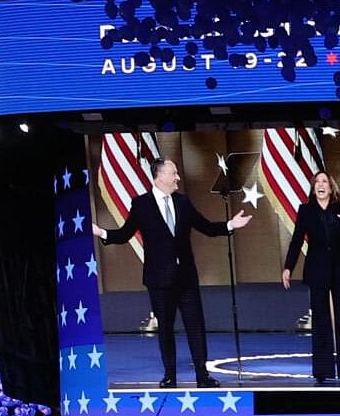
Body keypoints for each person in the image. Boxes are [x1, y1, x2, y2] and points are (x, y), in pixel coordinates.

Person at [92, 158, 251, 388]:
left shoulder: (183, 202)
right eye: (173, 173)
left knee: (196, 328)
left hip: (186, 278)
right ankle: (169, 376)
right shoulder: (141, 204)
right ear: (159, 176)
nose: (177, 177)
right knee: (165, 329)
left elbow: (205, 227)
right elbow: (125, 234)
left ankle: (202, 376)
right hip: (159, 280)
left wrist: (230, 225)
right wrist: (101, 232)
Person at [282, 171, 340, 383]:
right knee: (321, 320)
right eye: (317, 182)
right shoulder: (306, 210)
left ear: (331, 186)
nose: (320, 185)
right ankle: (323, 370)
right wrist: (288, 267)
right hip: (317, 270)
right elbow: (297, 240)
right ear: (313, 187)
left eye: (324, 181)